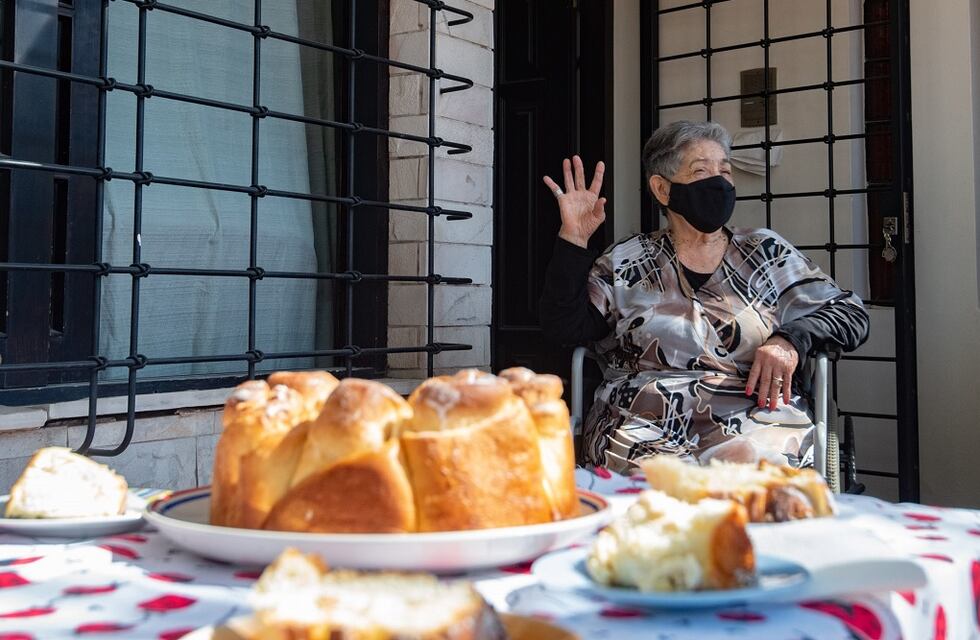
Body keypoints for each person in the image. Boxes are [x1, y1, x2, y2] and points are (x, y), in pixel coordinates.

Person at [539, 120, 870, 473]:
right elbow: (564, 327)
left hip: (755, 417)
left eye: (725, 171)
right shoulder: (627, 259)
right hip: (641, 420)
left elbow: (849, 313)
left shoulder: (765, 252)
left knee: (762, 483)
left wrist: (790, 341)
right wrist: (573, 238)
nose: (719, 181)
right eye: (702, 170)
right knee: (651, 493)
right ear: (663, 190)